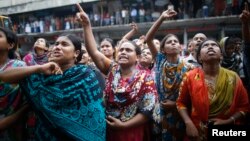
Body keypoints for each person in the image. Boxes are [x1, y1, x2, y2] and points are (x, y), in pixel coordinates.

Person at [0, 33, 106, 141]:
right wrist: (39, 68)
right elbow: (4, 76)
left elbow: (94, 113)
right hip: (45, 135)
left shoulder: (84, 75)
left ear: (76, 53)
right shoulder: (42, 76)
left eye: (64, 44)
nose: (57, 47)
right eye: (56, 44)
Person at [75, 4, 159, 141]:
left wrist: (124, 126)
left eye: (128, 50)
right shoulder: (112, 69)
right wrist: (86, 25)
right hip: (108, 127)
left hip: (132, 131)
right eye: (121, 50)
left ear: (137, 57)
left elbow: (147, 111)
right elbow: (94, 52)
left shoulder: (146, 78)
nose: (123, 52)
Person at [177, 39, 249, 141]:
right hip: (198, 133)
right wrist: (188, 123)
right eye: (206, 46)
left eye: (214, 45)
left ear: (221, 56)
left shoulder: (233, 77)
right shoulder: (190, 77)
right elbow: (181, 103)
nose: (210, 47)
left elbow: (244, 106)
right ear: (199, 58)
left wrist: (228, 121)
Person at [145, 9, 191, 141]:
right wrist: (161, 18)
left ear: (180, 47)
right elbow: (148, 39)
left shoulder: (189, 68)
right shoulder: (160, 61)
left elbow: (192, 95)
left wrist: (175, 104)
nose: (173, 43)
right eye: (169, 42)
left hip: (180, 114)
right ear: (163, 49)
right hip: (160, 113)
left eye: (176, 41)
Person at [0, 27, 28, 141]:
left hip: (14, 128)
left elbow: (26, 100)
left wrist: (22, 111)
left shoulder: (20, 67)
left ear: (10, 45)